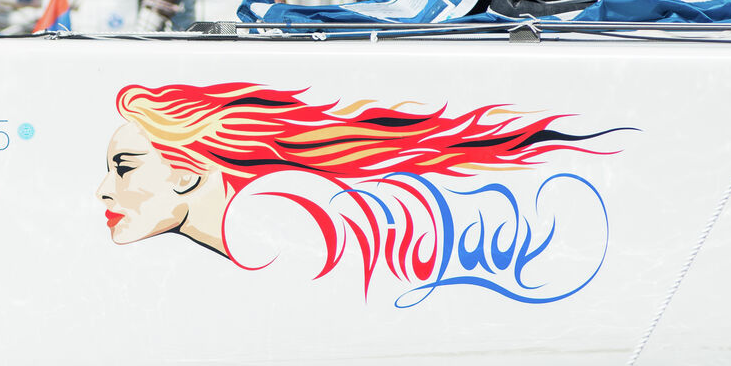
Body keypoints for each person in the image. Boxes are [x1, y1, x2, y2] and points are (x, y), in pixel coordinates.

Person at [96, 82, 621, 276]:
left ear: (188, 174)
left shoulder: (282, 245)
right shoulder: (271, 237)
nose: (103, 190)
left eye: (123, 168)